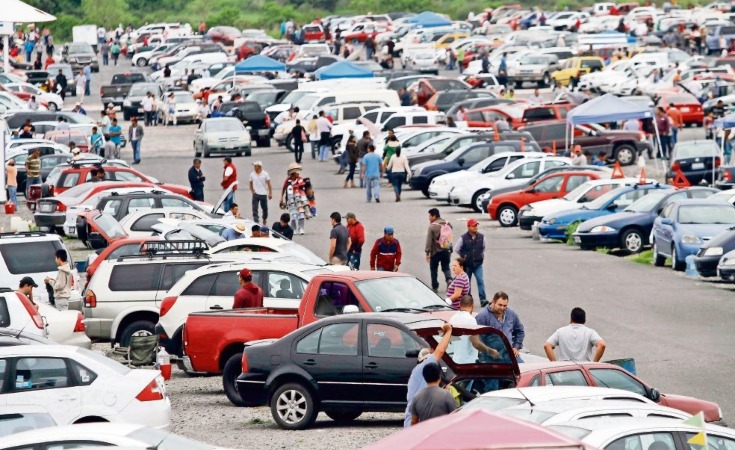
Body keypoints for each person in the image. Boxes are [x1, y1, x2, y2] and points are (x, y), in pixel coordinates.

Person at [404, 323, 452, 428]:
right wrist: (448, 331)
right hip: (417, 426)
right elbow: (440, 351)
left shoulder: (417, 374)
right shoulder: (424, 366)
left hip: (414, 424)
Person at [450, 295, 500, 364]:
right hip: (469, 362)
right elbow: (476, 343)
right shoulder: (471, 320)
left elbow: (451, 340)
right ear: (472, 306)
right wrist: (491, 351)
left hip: (456, 361)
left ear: (460, 305)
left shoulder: (452, 318)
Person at [476, 291, 525, 361]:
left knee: (521, 370)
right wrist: (488, 352)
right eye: (500, 305)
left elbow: (520, 331)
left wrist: (516, 347)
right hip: (491, 356)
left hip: (509, 353)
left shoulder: (511, 313)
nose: (502, 308)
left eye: (505, 306)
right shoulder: (482, 316)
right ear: (493, 301)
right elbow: (478, 340)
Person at [455, 218, 487, 306]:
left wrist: (481, 256)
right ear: (468, 227)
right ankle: (468, 299)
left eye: (476, 225)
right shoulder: (463, 238)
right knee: (467, 283)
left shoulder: (481, 237)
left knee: (480, 280)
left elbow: (484, 248)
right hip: (467, 265)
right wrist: (464, 257)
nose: (476, 227)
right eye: (474, 226)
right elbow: (457, 249)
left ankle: (483, 299)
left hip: (478, 264)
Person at [425, 208, 453, 294]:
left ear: (434, 216)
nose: (429, 218)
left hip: (435, 252)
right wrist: (450, 249)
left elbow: (429, 240)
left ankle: (435, 286)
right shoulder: (447, 224)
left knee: (433, 269)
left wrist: (427, 252)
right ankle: (449, 279)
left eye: (430, 216)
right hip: (446, 250)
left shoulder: (432, 226)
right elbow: (450, 237)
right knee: (446, 267)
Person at [279, 162, 308, 235]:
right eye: (296, 171)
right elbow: (284, 188)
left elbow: (302, 184)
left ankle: (301, 228)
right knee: (294, 215)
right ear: (293, 172)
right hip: (290, 200)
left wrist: (295, 186)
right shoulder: (288, 180)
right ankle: (293, 229)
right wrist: (281, 198)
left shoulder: (299, 179)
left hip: (299, 200)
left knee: (301, 214)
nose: (298, 173)